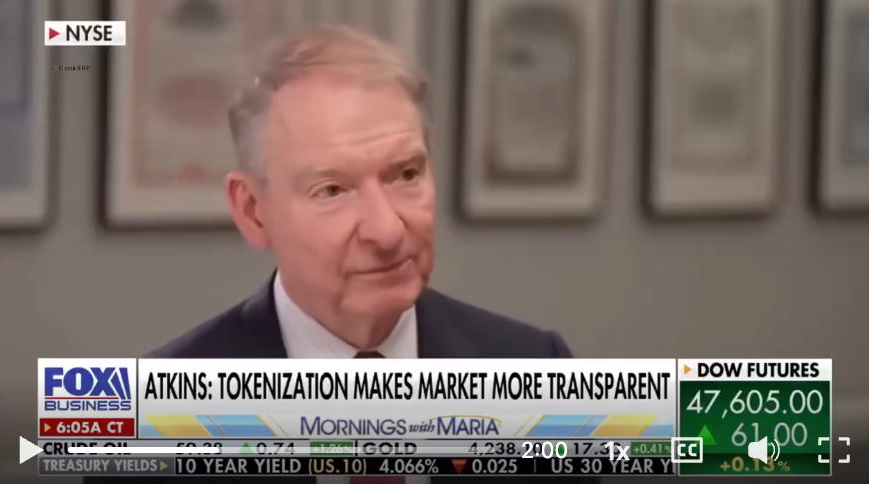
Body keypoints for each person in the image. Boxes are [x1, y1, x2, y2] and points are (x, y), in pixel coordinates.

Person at [85, 25, 595, 484]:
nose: (386, 230)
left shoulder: (537, 371)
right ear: (254, 211)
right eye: (331, 190)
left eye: (406, 175)